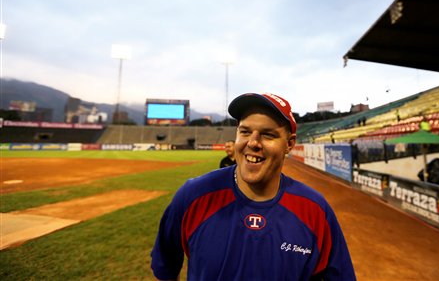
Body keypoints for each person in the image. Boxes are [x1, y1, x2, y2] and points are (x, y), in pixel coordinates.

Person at [151, 92, 356, 281]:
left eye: (268, 134)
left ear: (290, 144)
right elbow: (165, 268)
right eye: (245, 131)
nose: (253, 142)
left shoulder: (315, 210)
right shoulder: (193, 195)